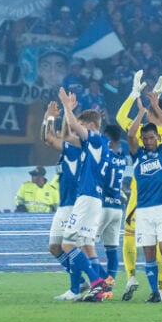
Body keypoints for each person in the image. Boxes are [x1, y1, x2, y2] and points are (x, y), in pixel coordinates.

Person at [116, 71, 162, 301]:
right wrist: (140, 105)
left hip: (161, 204)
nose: (150, 140)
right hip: (141, 202)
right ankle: (149, 287)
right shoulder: (139, 146)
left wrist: (153, 105)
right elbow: (128, 128)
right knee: (145, 248)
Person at [58, 86, 110, 302]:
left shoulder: (96, 140)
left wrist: (66, 106)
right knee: (87, 245)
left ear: (89, 125)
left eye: (82, 125)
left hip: (87, 197)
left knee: (67, 244)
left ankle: (95, 281)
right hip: (94, 199)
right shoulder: (99, 145)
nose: (78, 128)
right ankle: (97, 288)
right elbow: (68, 133)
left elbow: (71, 126)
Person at [41, 99, 86, 301]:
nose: (60, 135)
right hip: (64, 205)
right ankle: (82, 282)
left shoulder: (75, 150)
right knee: (55, 247)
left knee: (70, 246)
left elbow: (48, 138)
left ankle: (76, 289)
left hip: (73, 205)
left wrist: (49, 116)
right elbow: (53, 136)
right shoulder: (67, 153)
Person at [95, 123, 129, 295]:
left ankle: (102, 281)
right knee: (112, 249)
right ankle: (110, 287)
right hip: (117, 207)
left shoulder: (105, 153)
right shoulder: (122, 156)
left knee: (84, 244)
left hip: (104, 206)